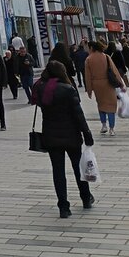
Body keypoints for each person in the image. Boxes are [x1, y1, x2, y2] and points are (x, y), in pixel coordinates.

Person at [31, 61, 94, 218]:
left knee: (58, 172)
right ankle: (86, 198)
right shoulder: (68, 89)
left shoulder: (41, 88)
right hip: (72, 135)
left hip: (51, 136)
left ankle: (63, 207)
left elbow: (38, 103)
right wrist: (86, 132)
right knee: (78, 168)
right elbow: (78, 114)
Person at [85, 39, 126, 137]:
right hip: (108, 83)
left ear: (91, 48)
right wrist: (121, 84)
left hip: (97, 84)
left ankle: (104, 125)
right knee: (111, 106)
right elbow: (114, 71)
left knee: (101, 105)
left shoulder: (89, 59)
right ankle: (112, 129)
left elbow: (87, 76)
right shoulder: (106, 57)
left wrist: (89, 90)